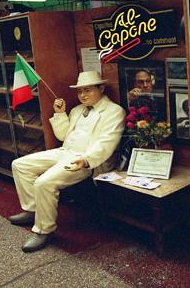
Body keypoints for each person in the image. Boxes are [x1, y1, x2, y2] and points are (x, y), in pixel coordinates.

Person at [8, 71, 125, 252]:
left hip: (86, 160)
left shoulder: (114, 111)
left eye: (87, 90)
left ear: (101, 88)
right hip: (65, 152)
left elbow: (107, 143)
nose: (83, 95)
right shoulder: (77, 110)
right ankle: (33, 210)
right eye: (79, 92)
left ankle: (44, 230)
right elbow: (63, 136)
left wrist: (86, 160)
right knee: (19, 165)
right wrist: (60, 114)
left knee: (43, 183)